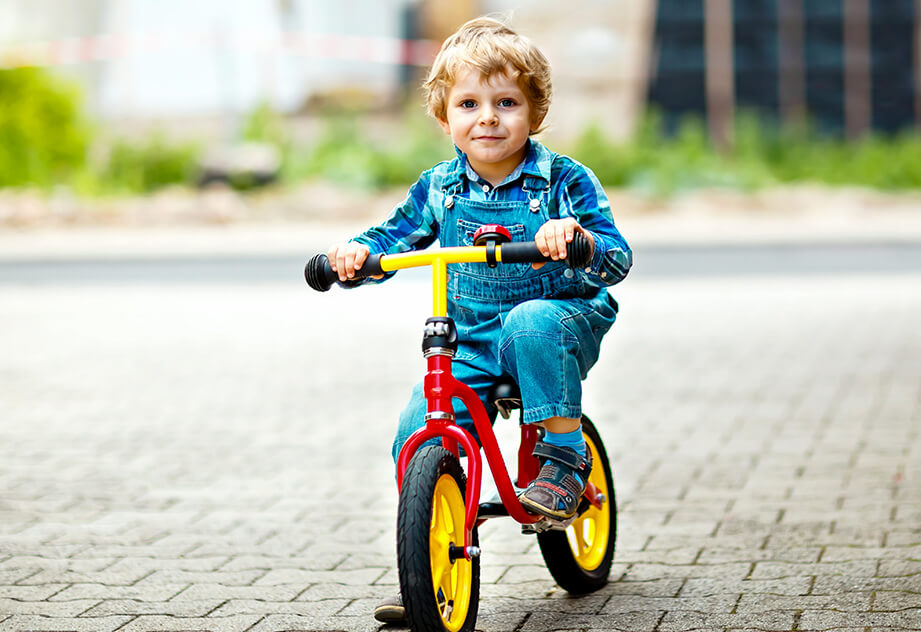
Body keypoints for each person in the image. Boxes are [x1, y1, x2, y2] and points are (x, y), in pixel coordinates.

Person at [324, 15, 632, 623]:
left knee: (530, 323)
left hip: (559, 320)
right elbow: (395, 238)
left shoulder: (565, 181)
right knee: (417, 430)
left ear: (534, 113)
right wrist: (358, 255)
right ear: (445, 119)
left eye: (506, 101)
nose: (487, 117)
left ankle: (565, 462)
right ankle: (432, 564)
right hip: (469, 343)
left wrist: (577, 240)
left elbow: (616, 258)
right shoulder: (439, 188)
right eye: (469, 103)